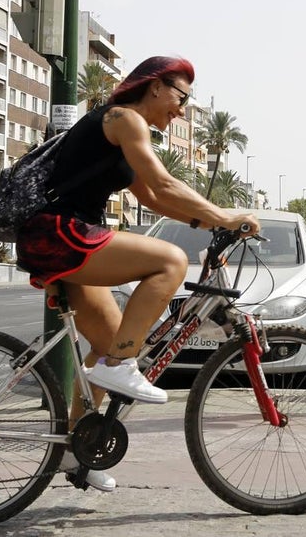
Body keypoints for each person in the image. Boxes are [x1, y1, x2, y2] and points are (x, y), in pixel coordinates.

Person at [15, 55, 260, 493]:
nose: (181, 109)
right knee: (170, 262)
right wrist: (225, 216)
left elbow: (156, 198)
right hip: (61, 232)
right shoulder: (125, 119)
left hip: (54, 234)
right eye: (181, 97)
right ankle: (122, 363)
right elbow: (165, 186)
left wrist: (207, 222)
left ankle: (76, 449)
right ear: (155, 86)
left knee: (106, 344)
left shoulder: (122, 131)